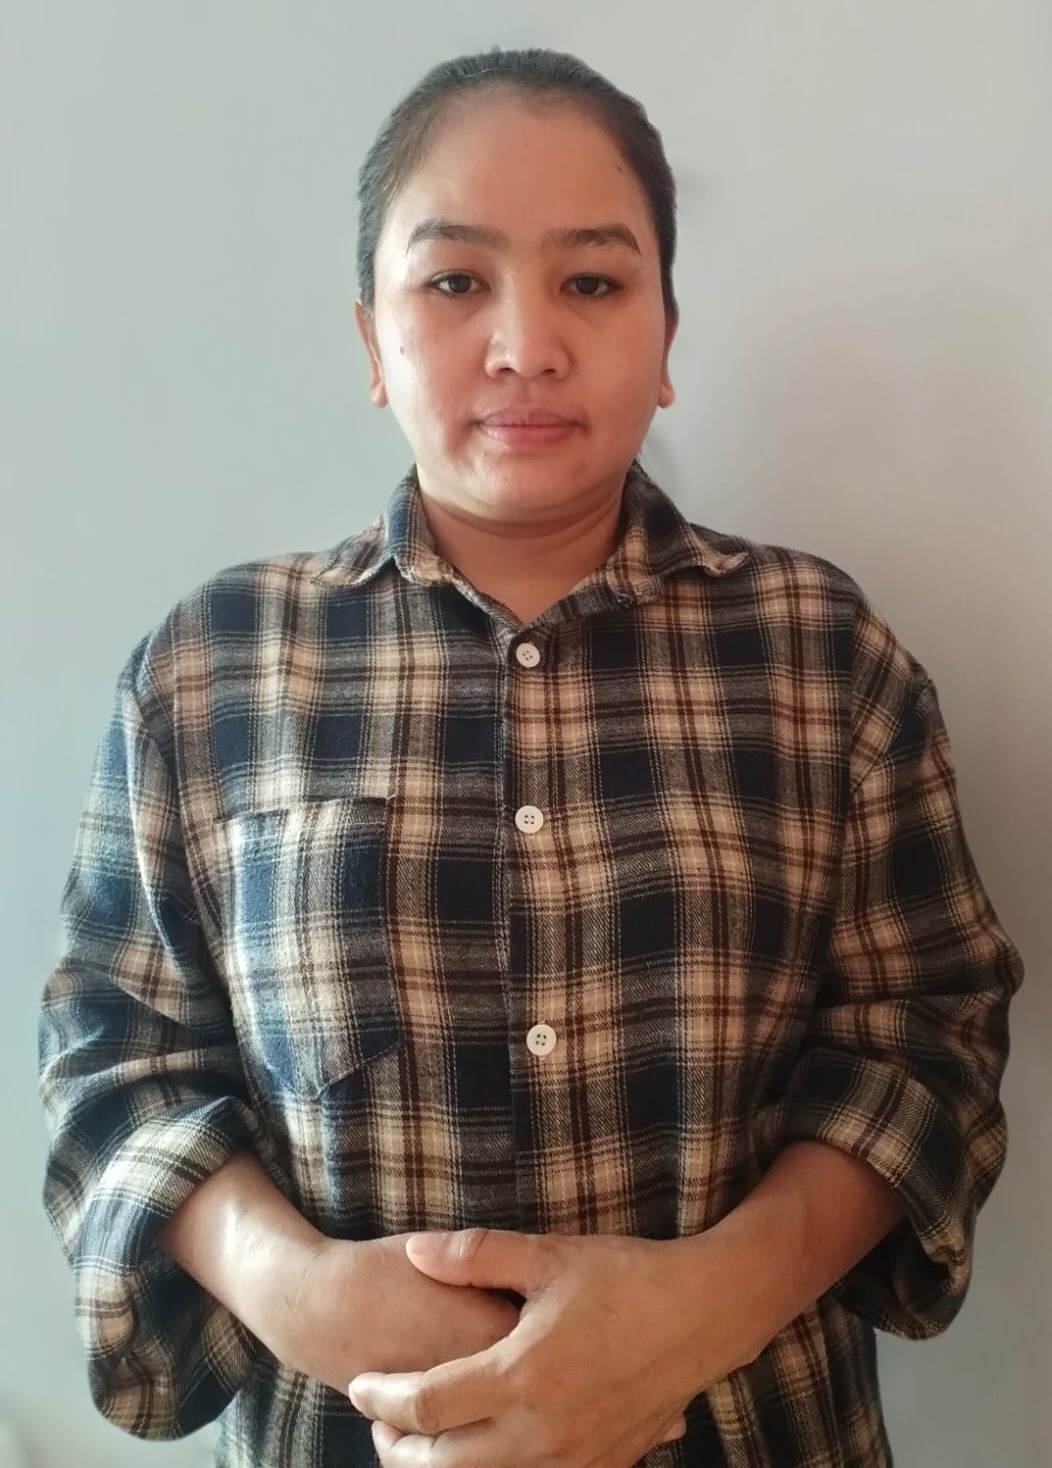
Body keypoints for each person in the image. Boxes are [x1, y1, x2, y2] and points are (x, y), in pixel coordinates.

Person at [39, 46, 1022, 1468]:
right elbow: (114, 1055)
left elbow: (929, 1030)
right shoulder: (213, 672)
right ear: (371, 341)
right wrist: (290, 1286)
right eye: (454, 281)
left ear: (668, 335)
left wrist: (713, 1300)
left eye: (594, 282)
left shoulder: (820, 655)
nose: (525, 344)